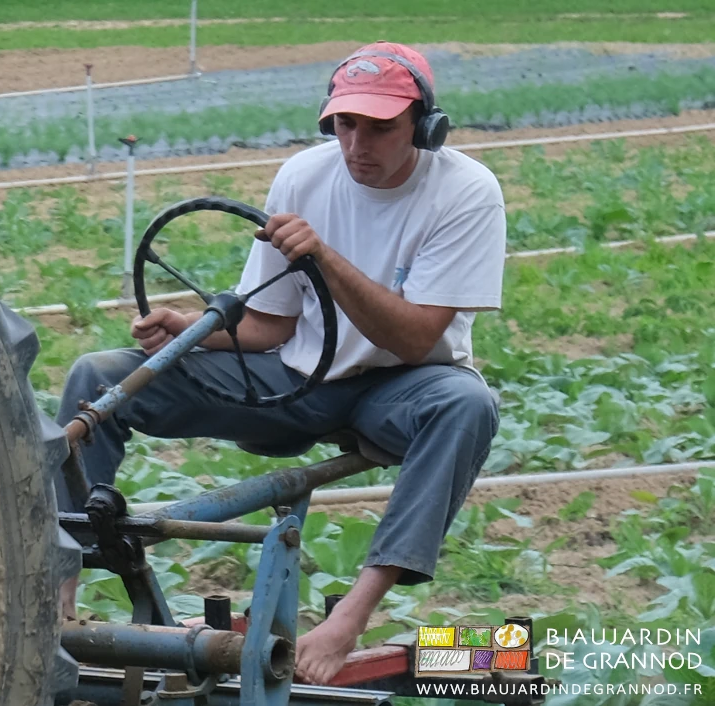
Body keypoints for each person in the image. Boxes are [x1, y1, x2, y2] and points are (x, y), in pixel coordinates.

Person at [54, 40, 507, 686]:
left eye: (380, 128)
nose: (357, 145)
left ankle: (348, 617)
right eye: (345, 125)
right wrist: (196, 329)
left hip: (403, 388)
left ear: (425, 127)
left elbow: (414, 339)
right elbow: (273, 323)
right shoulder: (304, 177)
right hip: (299, 379)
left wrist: (325, 258)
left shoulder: (465, 192)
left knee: (468, 404)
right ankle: (57, 599)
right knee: (98, 377)